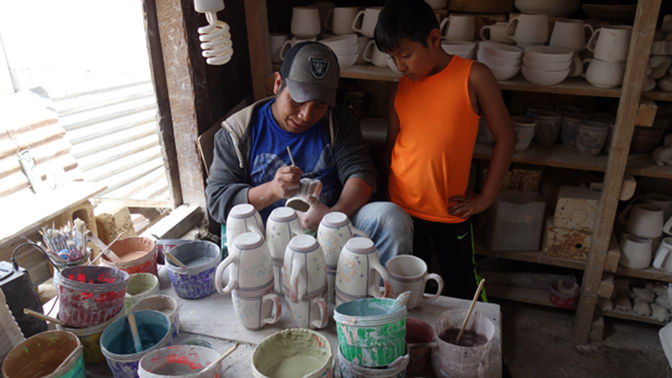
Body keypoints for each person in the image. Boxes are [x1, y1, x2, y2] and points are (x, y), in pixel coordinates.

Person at [205, 41, 412, 267]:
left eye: (319, 106)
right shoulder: (238, 132)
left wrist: (332, 218)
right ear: (277, 83)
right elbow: (218, 202)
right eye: (297, 101)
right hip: (269, 242)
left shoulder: (337, 121)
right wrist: (272, 191)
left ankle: (382, 300)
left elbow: (361, 174)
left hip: (333, 229)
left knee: (391, 218)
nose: (306, 115)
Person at [374, 0, 516, 300]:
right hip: (402, 212)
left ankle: (473, 341)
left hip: (449, 212)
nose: (400, 66)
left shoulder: (474, 76)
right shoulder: (401, 87)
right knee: (411, 292)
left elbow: (506, 138)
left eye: (406, 55)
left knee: (464, 286)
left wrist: (485, 198)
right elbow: (392, 145)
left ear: (434, 39)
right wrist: (385, 195)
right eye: (392, 58)